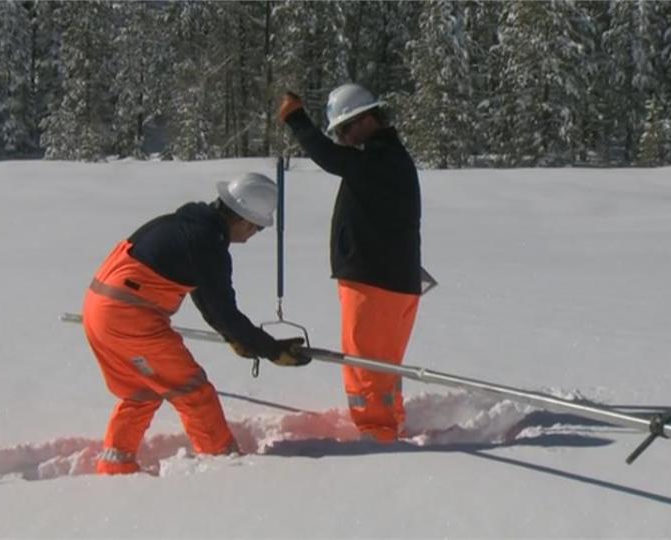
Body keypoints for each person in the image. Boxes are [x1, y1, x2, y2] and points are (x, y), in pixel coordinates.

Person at [81, 172, 309, 475]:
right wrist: (269, 349)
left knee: (142, 391)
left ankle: (114, 465)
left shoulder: (183, 225)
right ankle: (222, 465)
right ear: (243, 219)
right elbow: (222, 309)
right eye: (257, 227)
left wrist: (238, 339)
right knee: (192, 391)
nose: (254, 234)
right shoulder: (207, 243)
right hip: (131, 319)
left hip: (99, 311)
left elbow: (205, 298)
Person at [278, 83, 426, 444]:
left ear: (367, 120)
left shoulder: (381, 159)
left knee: (366, 367)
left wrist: (297, 120)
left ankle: (377, 434)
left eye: (345, 129)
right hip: (392, 280)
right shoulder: (385, 157)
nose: (343, 139)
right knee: (383, 365)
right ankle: (389, 423)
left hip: (374, 281)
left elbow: (330, 158)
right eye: (339, 133)